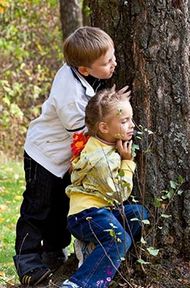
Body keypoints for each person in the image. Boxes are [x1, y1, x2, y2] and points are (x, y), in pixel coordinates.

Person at [14, 26, 117, 285]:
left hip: (62, 161)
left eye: (113, 56)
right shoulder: (69, 95)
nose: (114, 63)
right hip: (44, 155)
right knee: (38, 207)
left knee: (61, 206)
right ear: (84, 69)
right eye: (107, 62)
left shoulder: (84, 69)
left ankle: (53, 252)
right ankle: (27, 262)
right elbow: (84, 129)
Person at [61, 86, 148, 288]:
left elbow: (102, 111)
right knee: (119, 239)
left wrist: (115, 101)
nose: (131, 125)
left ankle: (93, 247)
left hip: (102, 211)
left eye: (131, 119)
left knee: (139, 214)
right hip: (85, 215)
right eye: (124, 121)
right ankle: (78, 283)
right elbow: (119, 194)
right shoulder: (101, 160)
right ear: (104, 128)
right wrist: (127, 162)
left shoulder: (99, 139)